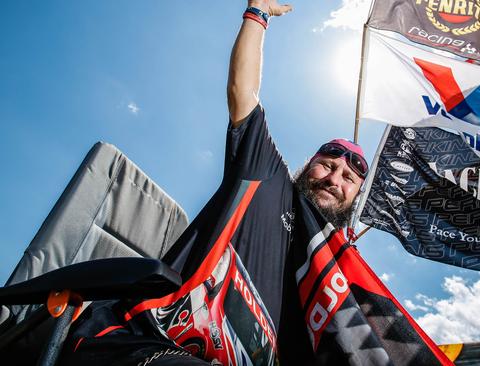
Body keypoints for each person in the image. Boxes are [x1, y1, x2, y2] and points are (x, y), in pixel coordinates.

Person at [60, 1, 368, 365]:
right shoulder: (268, 177)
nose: (334, 178)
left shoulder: (327, 280)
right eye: (326, 165)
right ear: (308, 166)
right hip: (140, 339)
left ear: (356, 199)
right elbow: (243, 94)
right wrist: (258, 14)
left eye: (348, 178)